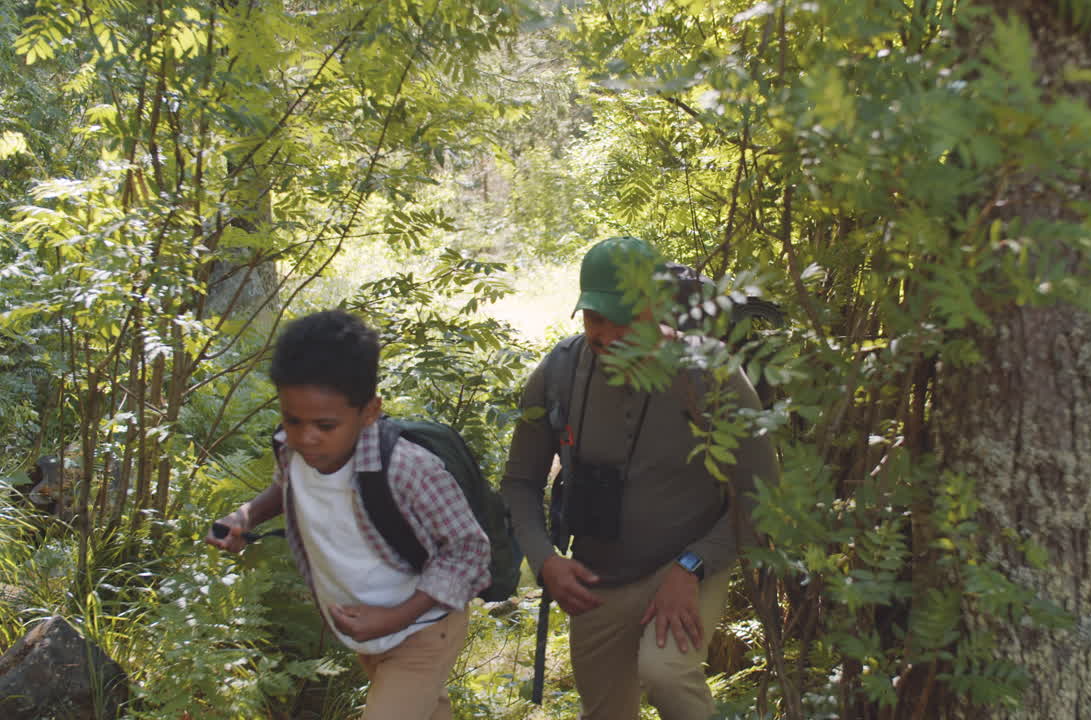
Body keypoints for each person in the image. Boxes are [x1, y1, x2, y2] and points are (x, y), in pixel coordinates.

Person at [502, 236, 781, 720]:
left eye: (627, 320)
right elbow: (520, 482)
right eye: (596, 319)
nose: (608, 336)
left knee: (667, 673)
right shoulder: (558, 374)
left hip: (688, 562)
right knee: (605, 710)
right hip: (597, 575)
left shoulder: (708, 374)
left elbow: (761, 491)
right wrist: (545, 559)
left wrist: (691, 566)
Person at [206, 309, 490, 720]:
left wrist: (396, 617)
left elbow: (469, 551)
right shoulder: (290, 449)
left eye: (325, 425)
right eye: (292, 419)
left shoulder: (407, 468)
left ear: (369, 411)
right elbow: (285, 488)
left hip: (424, 627)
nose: (306, 437)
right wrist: (243, 517)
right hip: (365, 632)